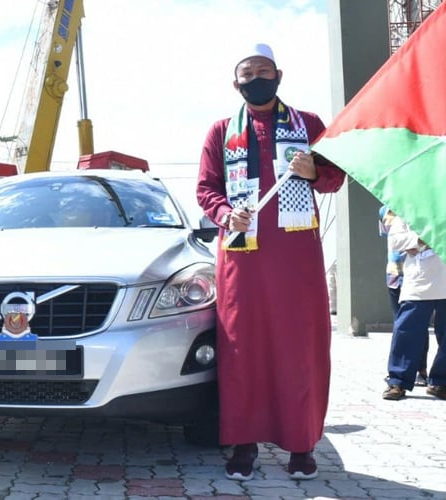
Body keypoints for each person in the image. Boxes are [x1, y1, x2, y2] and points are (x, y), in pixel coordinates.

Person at [196, 43, 345, 481]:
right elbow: (206, 189)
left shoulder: (309, 124)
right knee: (243, 349)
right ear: (236, 83)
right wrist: (226, 214)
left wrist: (313, 172)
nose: (256, 78)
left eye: (264, 71)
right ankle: (244, 443)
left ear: (279, 76)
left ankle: (301, 444)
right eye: (248, 73)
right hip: (242, 259)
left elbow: (335, 177)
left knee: (300, 348)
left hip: (297, 257)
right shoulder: (221, 132)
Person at [382, 214, 446, 401]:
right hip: (419, 281)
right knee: (407, 331)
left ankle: (440, 382)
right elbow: (395, 241)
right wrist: (422, 239)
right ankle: (398, 382)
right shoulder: (410, 208)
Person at [379, 206, 429, 386]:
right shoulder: (384, 211)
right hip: (394, 276)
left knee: (418, 325)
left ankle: (421, 370)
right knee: (401, 326)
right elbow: (389, 239)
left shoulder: (417, 207)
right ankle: (398, 373)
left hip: (417, 275)